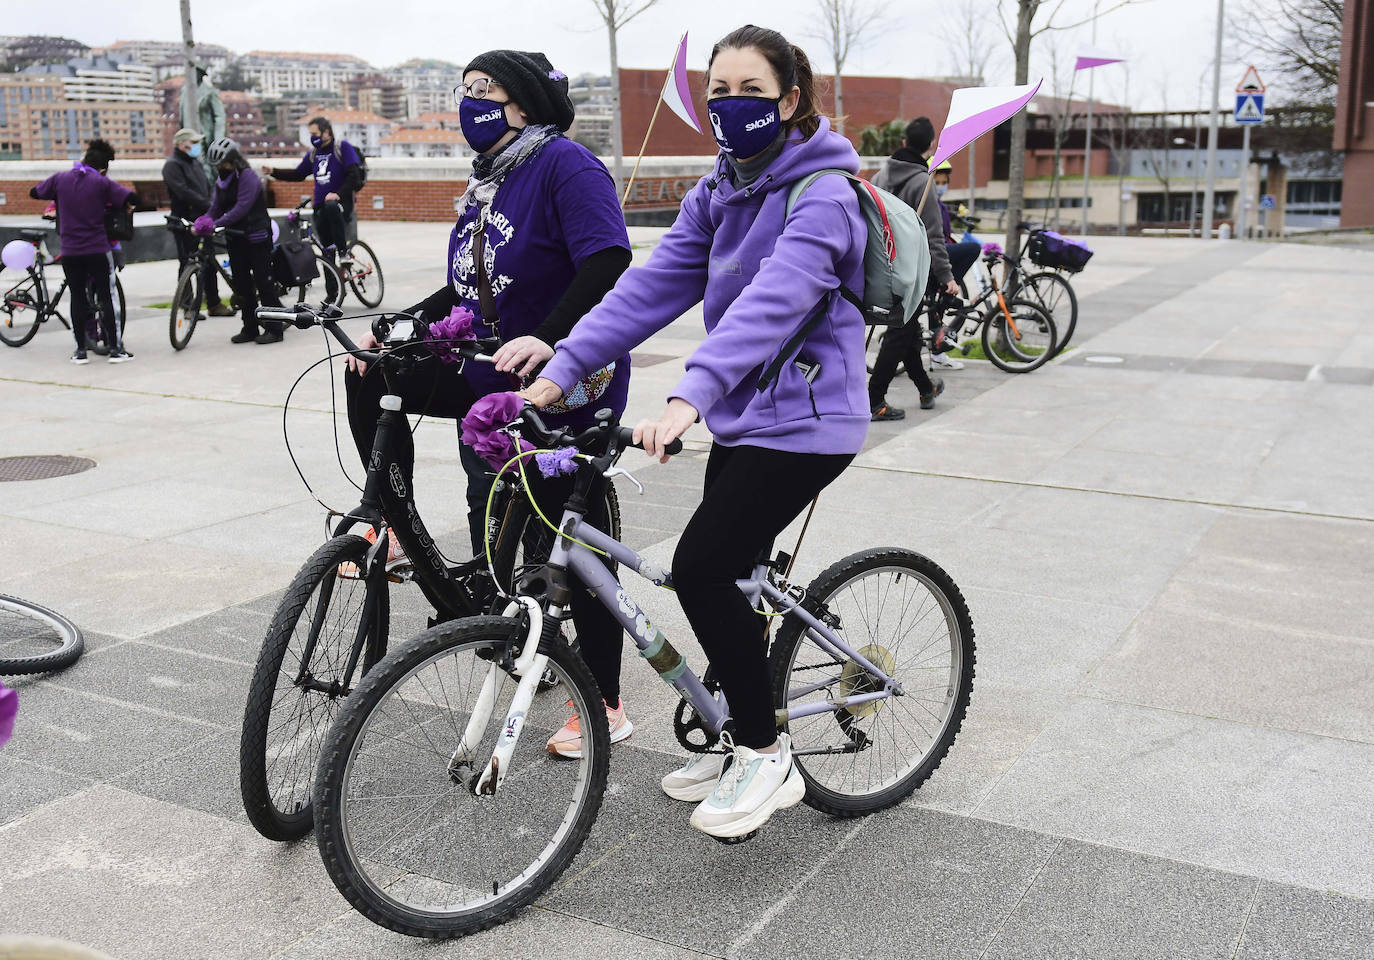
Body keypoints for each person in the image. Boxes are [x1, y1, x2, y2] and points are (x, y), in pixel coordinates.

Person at [520, 24, 867, 839]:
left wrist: (691, 398)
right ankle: (737, 728)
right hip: (751, 416)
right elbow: (650, 290)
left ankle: (763, 751)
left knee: (702, 568)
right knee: (727, 574)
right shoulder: (718, 192)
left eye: (752, 92)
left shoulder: (824, 195)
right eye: (720, 92)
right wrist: (561, 368)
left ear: (790, 100)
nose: (731, 106)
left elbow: (773, 303)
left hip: (812, 422)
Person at [341, 50, 634, 756]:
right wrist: (400, 322)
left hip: (566, 373)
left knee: (574, 527)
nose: (469, 101)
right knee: (370, 379)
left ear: (524, 105)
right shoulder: (485, 182)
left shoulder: (565, 165)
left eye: (484, 91)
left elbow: (607, 259)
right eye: (464, 89)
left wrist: (549, 336)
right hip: (486, 365)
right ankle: (387, 521)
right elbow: (468, 288)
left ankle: (605, 700)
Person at [865, 117, 960, 419]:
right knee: (900, 332)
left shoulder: (879, 177)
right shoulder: (924, 182)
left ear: (904, 142)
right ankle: (874, 399)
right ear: (930, 146)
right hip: (910, 271)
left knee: (906, 329)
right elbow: (934, 236)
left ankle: (925, 387)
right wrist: (947, 277)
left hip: (880, 264)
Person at [29, 138, 137, 364]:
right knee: (107, 297)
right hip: (97, 248)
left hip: (70, 251)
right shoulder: (100, 181)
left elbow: (35, 192)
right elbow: (130, 198)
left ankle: (80, 351)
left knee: (77, 298)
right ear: (103, 167)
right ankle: (116, 349)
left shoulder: (60, 179)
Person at [197, 137, 284, 344]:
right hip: (235, 238)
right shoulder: (222, 181)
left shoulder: (248, 177)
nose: (221, 168)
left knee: (264, 283)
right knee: (242, 285)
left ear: (233, 160)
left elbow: (241, 208)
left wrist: (217, 223)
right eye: (217, 165)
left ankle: (274, 329)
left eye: (223, 163)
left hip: (256, 236)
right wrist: (204, 220)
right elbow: (216, 206)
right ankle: (250, 327)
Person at [264, 116, 363, 294]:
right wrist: (274, 172)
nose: (313, 137)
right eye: (311, 134)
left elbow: (354, 176)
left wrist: (338, 194)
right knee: (326, 249)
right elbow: (298, 174)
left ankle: (344, 252)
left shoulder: (342, 148)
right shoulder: (314, 154)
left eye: (315, 134)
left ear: (326, 132)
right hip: (320, 207)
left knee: (332, 207)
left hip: (341, 204)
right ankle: (333, 293)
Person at [163, 128, 234, 319]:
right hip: (184, 221)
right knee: (187, 262)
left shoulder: (195, 163)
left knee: (209, 261)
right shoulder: (172, 165)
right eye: (193, 143)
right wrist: (209, 204)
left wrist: (214, 205)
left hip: (203, 220)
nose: (196, 146)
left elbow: (207, 187)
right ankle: (188, 306)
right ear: (181, 144)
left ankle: (214, 303)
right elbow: (183, 192)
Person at [181, 61, 226, 183]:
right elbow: (182, 113)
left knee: (208, 168)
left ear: (200, 74)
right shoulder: (185, 91)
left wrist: (218, 138)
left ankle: (210, 192)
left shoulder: (210, 92)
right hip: (189, 136)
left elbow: (220, 116)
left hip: (205, 136)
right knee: (195, 166)